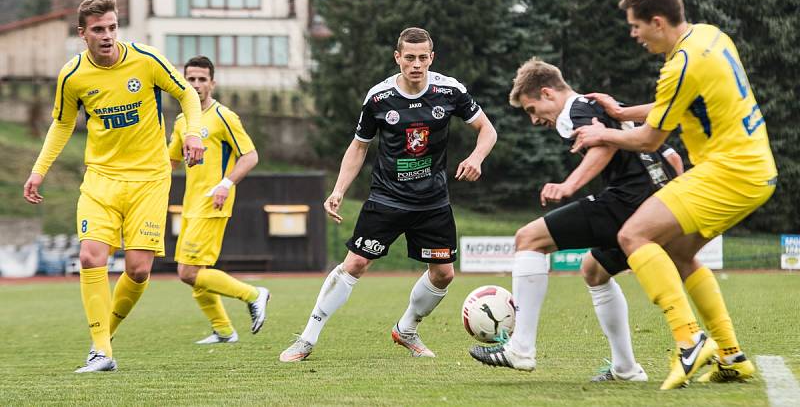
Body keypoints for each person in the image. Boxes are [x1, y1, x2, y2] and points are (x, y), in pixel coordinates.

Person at [571, 0, 777, 389]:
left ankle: (689, 342)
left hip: (729, 171)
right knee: (678, 253)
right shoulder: (709, 37)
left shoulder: (679, 65)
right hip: (754, 168)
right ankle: (731, 355)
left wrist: (603, 134)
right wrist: (624, 112)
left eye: (636, 26)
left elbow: (650, 138)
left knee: (633, 236)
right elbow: (682, 104)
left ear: (658, 21)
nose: (634, 35)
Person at [279, 27, 497, 362]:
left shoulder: (449, 90)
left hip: (433, 200)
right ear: (397, 58)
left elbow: (487, 129)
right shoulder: (379, 98)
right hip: (387, 197)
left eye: (423, 57)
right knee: (356, 262)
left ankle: (406, 328)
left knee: (444, 273)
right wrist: (338, 190)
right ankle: (307, 338)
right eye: (409, 57)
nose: (416, 64)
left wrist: (477, 157)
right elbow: (358, 147)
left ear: (432, 58)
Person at [469, 57, 682, 382]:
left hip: (629, 201)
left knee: (528, 239)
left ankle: (520, 349)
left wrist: (569, 185)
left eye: (531, 109)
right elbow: (671, 155)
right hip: (658, 205)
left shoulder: (573, 110)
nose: (535, 120)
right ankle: (625, 369)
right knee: (594, 270)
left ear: (547, 93)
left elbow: (603, 147)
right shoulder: (607, 107)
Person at [22, 0, 205, 372]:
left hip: (150, 179)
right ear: (82, 34)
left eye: (112, 27)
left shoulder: (147, 59)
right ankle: (101, 350)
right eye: (98, 30)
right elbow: (61, 124)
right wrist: (39, 171)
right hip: (101, 179)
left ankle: (104, 336)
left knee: (138, 269)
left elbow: (186, 94)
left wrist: (194, 134)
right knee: (91, 257)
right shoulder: (72, 76)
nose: (107, 36)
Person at [167, 56, 269, 345]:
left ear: (212, 83)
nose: (196, 84)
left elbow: (250, 156)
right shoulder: (180, 121)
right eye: (191, 79)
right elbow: (171, 161)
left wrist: (226, 184)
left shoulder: (224, 116)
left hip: (213, 203)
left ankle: (253, 294)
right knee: (196, 270)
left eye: (202, 79)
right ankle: (223, 330)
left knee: (187, 272)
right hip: (190, 204)